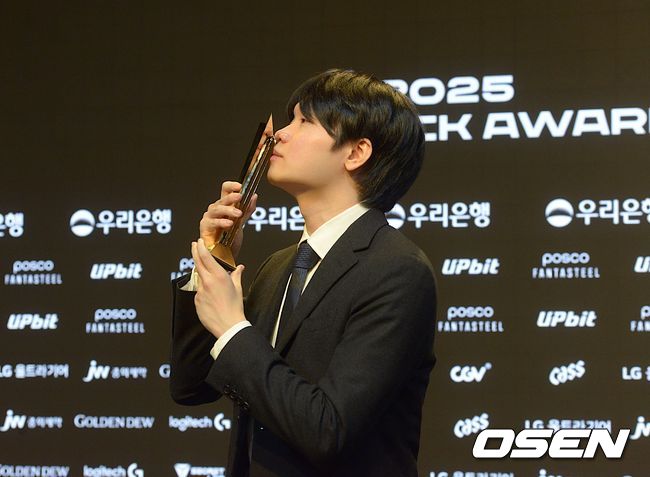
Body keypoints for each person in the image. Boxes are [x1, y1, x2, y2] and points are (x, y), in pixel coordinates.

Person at [170, 68, 438, 477]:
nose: (280, 134)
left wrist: (233, 328)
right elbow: (191, 387)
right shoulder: (280, 266)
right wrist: (214, 254)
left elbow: (327, 429)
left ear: (356, 153)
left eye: (304, 121)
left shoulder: (397, 269)